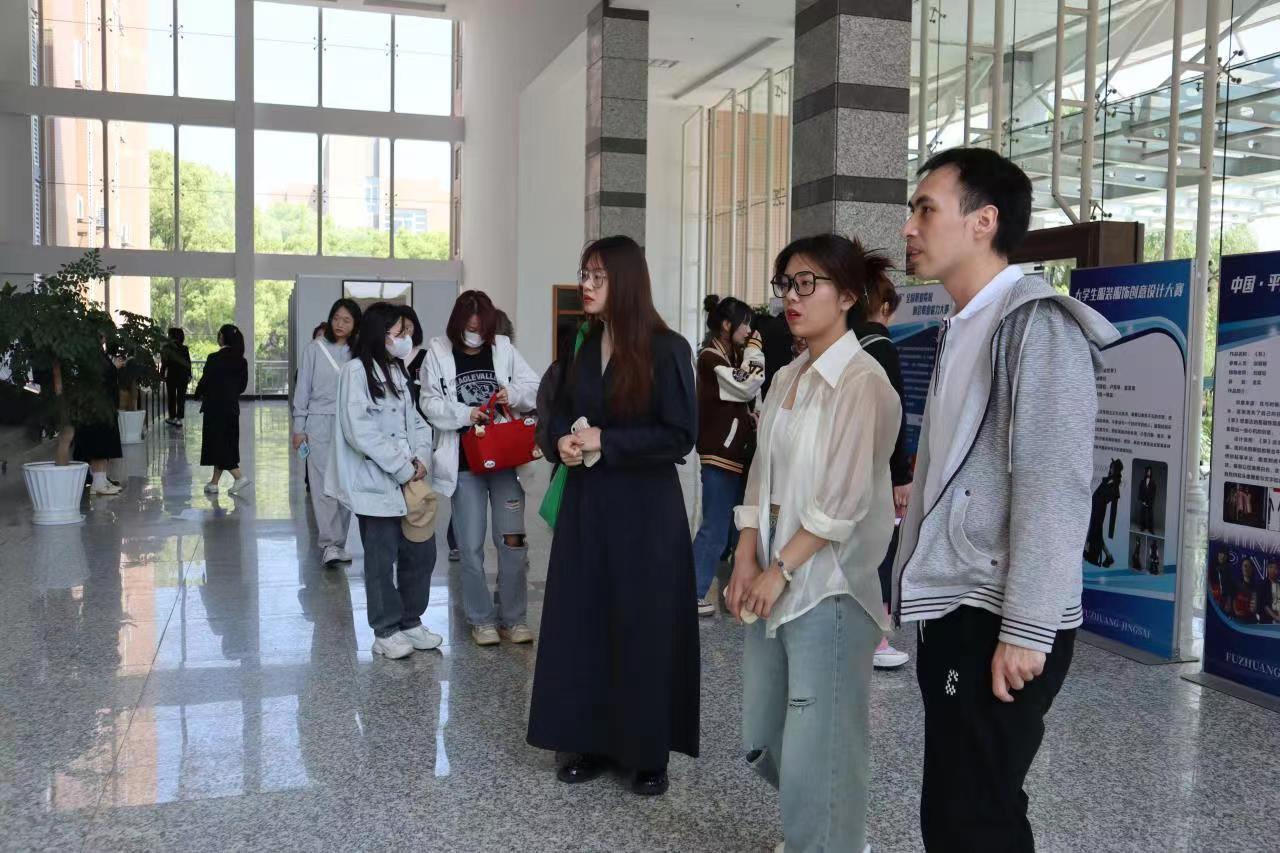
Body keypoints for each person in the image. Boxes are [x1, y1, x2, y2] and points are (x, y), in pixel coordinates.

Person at [893, 147, 1118, 852]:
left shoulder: (1037, 326)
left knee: (977, 816)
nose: (909, 227)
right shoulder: (965, 324)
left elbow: (1055, 486)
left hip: (997, 612)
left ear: (983, 221)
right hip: (957, 600)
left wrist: (1027, 628)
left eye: (925, 208)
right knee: (953, 807)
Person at [725, 234, 902, 853]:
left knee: (820, 741)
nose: (792, 298)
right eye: (786, 285)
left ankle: (829, 843)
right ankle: (821, 830)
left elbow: (842, 502)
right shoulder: (788, 376)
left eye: (807, 284)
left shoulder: (863, 381)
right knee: (764, 733)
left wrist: (779, 568)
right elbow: (761, 472)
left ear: (848, 296)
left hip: (828, 585)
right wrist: (745, 555)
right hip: (773, 572)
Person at [527, 235, 699, 797]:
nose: (587, 285)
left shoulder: (667, 348)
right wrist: (561, 441)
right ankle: (589, 740)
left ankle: (648, 752)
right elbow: (558, 411)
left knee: (642, 625)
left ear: (626, 281)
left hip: (645, 512)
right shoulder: (583, 345)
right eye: (585, 274)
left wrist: (608, 440)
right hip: (588, 505)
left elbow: (679, 435)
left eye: (598, 276)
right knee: (585, 621)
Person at [422, 291, 540, 646]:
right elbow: (429, 402)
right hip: (464, 463)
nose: (475, 335)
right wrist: (465, 413)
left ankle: (514, 618)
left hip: (503, 459)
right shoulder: (438, 352)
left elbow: (534, 387)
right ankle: (481, 619)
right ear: (458, 324)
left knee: (513, 541)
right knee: (470, 545)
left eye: (481, 328)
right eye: (469, 328)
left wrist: (512, 394)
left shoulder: (502, 348)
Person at [325, 301, 441, 659]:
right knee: (380, 559)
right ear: (381, 333)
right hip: (375, 482)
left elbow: (417, 421)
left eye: (409, 333)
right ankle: (385, 630)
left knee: (420, 552)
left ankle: (410, 620)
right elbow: (360, 430)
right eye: (400, 332)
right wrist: (403, 466)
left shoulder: (397, 371)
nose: (407, 339)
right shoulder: (356, 372)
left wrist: (421, 459)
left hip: (409, 480)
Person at [852, 271, 915, 669]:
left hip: (847, 465)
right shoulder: (882, 346)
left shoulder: (845, 343)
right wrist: (901, 477)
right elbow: (896, 417)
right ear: (885, 306)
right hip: (875, 470)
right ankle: (876, 637)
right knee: (881, 551)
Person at [692, 294, 764, 617]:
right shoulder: (710, 357)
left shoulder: (728, 355)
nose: (748, 330)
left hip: (734, 453)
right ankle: (692, 592)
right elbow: (748, 384)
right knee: (716, 528)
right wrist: (755, 351)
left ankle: (734, 588)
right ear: (726, 325)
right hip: (719, 454)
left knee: (735, 528)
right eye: (744, 323)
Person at [292, 298, 361, 566]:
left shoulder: (359, 353)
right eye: (336, 318)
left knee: (345, 483)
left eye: (346, 320)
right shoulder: (314, 349)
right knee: (322, 485)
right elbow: (302, 390)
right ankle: (330, 543)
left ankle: (339, 542)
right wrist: (299, 427)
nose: (340, 324)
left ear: (355, 325)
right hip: (318, 422)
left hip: (350, 424)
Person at [196, 324, 251, 496]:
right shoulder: (242, 361)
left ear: (223, 337)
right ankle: (214, 483)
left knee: (218, 445)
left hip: (214, 409)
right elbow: (242, 386)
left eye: (219, 334)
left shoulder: (214, 358)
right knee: (225, 443)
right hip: (231, 408)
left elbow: (205, 381)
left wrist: (198, 393)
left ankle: (239, 477)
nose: (218, 337)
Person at [74, 337, 126, 496]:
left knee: (104, 444)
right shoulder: (90, 353)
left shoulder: (97, 352)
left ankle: (101, 480)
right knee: (99, 444)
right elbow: (99, 377)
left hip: (104, 406)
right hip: (96, 407)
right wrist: (114, 367)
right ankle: (98, 482)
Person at [1084, 459, 1124, 567]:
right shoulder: (1108, 479)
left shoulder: (1115, 485)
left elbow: (1114, 508)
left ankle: (1103, 556)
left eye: (1113, 467)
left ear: (1116, 470)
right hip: (1095, 508)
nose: (1110, 469)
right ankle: (1107, 556)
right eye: (1111, 467)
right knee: (1095, 533)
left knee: (1096, 533)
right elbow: (1097, 493)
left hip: (1100, 511)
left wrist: (1111, 531)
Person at [395, 305, 428, 420]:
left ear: (415, 328)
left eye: (407, 328)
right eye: (398, 329)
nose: (403, 333)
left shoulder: (426, 357)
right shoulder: (387, 358)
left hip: (421, 420)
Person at [161, 327, 192, 428]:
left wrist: (162, 375)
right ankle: (179, 419)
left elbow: (164, 363)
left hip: (172, 375)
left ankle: (172, 417)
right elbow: (188, 363)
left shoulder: (166, 348)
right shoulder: (184, 348)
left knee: (171, 397)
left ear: (171, 336)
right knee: (181, 397)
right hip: (183, 376)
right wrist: (189, 375)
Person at [1138, 467, 1158, 533]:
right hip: (1144, 500)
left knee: (1150, 515)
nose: (1149, 473)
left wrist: (1150, 501)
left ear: (1151, 472)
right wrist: (1142, 501)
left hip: (1150, 501)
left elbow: (1154, 493)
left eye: (1150, 471)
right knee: (1143, 514)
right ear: (1146, 472)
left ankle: (1151, 529)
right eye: (1148, 471)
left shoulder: (1153, 482)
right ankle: (1142, 527)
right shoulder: (1142, 481)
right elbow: (1140, 491)